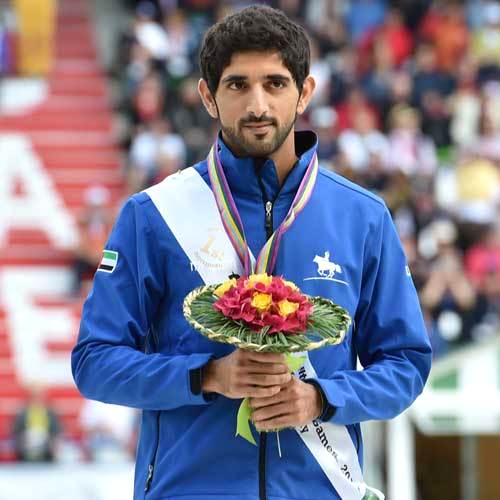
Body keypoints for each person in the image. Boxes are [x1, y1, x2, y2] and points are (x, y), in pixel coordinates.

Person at [72, 6, 431, 500]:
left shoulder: (363, 217)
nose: (258, 105)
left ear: (305, 92)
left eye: (275, 84)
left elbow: (406, 363)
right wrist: (206, 376)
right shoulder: (153, 215)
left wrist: (322, 398)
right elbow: (95, 362)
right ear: (208, 96)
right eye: (238, 85)